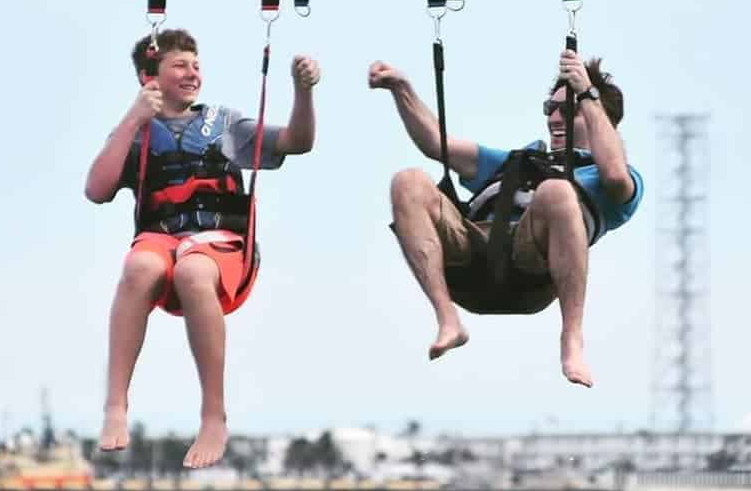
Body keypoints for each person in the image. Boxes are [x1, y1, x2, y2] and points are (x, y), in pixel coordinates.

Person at [86, 28, 321, 466]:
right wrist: (133, 119)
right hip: (161, 243)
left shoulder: (227, 125)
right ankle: (115, 406)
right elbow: (96, 190)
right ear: (148, 78)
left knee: (193, 270)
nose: (192, 72)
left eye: (196, 64)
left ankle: (214, 416)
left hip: (220, 248)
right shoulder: (134, 133)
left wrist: (303, 92)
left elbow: (299, 142)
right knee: (139, 266)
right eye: (179, 64)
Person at [368, 49, 643, 388]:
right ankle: (448, 320)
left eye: (568, 110)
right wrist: (402, 89)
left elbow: (615, 175)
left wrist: (587, 91)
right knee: (407, 181)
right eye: (550, 109)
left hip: (531, 270)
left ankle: (572, 340)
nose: (554, 118)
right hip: (471, 261)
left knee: (556, 192)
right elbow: (436, 145)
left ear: (599, 115)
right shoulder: (519, 160)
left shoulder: (612, 179)